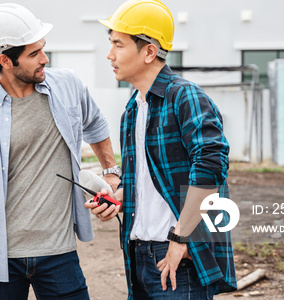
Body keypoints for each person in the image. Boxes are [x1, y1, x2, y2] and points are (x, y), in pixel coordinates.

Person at [0, 3, 120, 299]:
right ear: (6, 60)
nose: (44, 59)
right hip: (1, 255)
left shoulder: (68, 85)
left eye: (42, 49)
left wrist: (111, 175)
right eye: (34, 54)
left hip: (59, 252)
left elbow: (96, 124)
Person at [88, 0, 238, 298]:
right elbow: (146, 184)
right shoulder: (132, 109)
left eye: (118, 45)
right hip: (138, 255)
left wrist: (182, 237)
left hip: (178, 256)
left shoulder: (185, 97)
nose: (110, 54)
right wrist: (116, 200)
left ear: (148, 51)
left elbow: (210, 168)